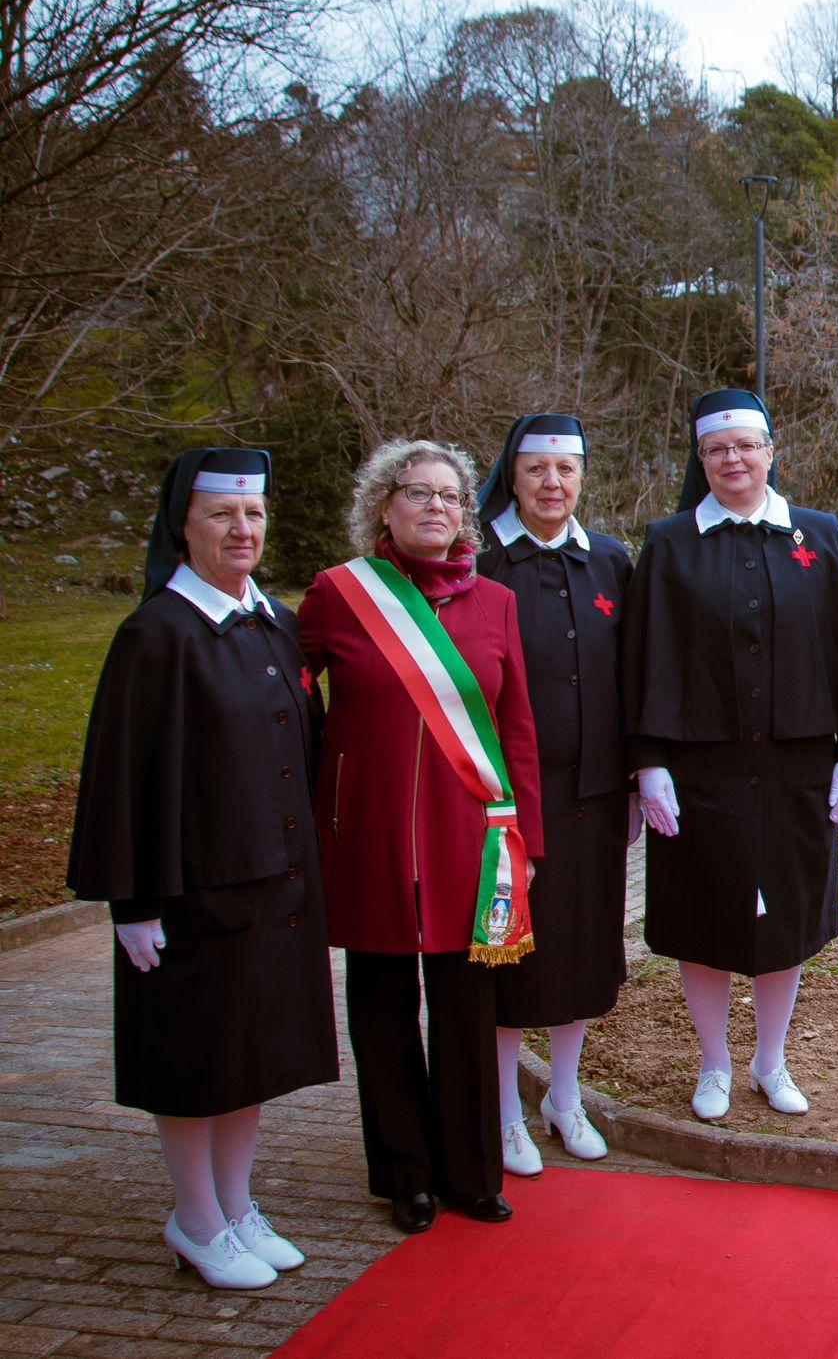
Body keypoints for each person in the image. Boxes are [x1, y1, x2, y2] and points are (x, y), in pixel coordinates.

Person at [67, 448, 337, 1290]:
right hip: (190, 891)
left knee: (248, 1055)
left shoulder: (276, 622)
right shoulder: (155, 635)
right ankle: (193, 1218)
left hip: (273, 881)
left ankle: (234, 1204)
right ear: (182, 522)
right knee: (193, 1057)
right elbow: (120, 776)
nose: (242, 530)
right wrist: (132, 901)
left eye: (254, 515)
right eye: (223, 515)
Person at [622, 389, 838, 1122]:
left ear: (771, 451)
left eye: (745, 445)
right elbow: (646, 659)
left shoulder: (820, 535)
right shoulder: (671, 543)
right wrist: (649, 763)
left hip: (796, 767)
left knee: (785, 921)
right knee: (704, 916)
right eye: (716, 449)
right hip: (700, 771)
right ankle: (713, 1065)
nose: (732, 460)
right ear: (700, 459)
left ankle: (771, 1061)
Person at [299, 440, 545, 1234]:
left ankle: (470, 1171)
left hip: (469, 844)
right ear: (384, 506)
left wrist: (527, 843)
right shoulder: (339, 596)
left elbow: (517, 729)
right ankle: (404, 1173)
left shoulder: (497, 603)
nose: (435, 507)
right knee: (380, 1004)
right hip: (369, 837)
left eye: (449, 496)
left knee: (467, 1007)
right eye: (417, 494)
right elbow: (289, 705)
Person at [475, 414, 638, 1177]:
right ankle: (506, 1110)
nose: (552, 484)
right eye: (536, 469)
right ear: (512, 473)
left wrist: (639, 777)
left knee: (579, 953)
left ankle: (563, 1097)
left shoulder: (610, 561)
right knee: (509, 958)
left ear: (582, 476)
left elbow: (634, 678)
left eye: (566, 470)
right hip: (504, 808)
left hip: (593, 799)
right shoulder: (479, 563)